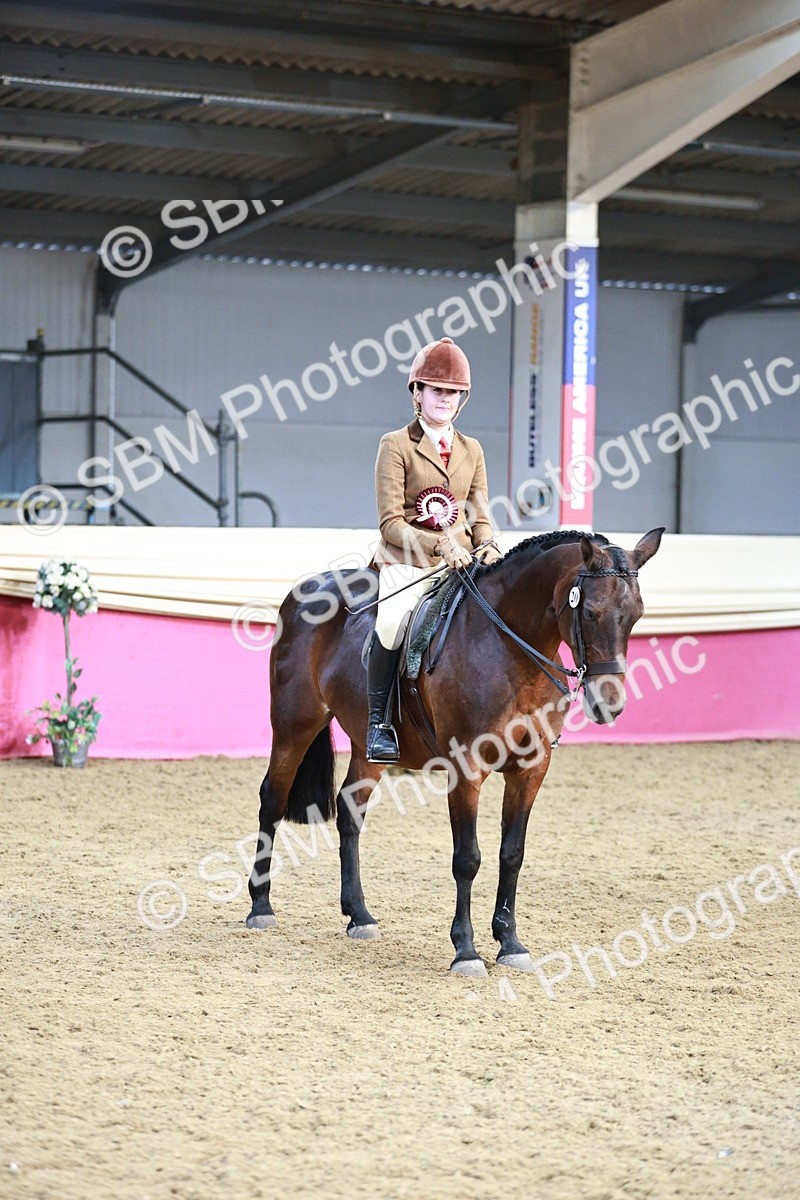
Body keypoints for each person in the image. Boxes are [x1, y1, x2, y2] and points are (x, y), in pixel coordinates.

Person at [366, 336, 503, 763]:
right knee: (391, 622)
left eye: (452, 393)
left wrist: (490, 544)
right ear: (418, 393)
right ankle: (379, 724)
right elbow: (390, 523)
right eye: (437, 390)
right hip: (408, 562)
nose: (444, 399)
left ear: (461, 400)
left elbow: (479, 512)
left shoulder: (472, 449)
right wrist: (439, 544)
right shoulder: (396, 444)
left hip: (462, 563)